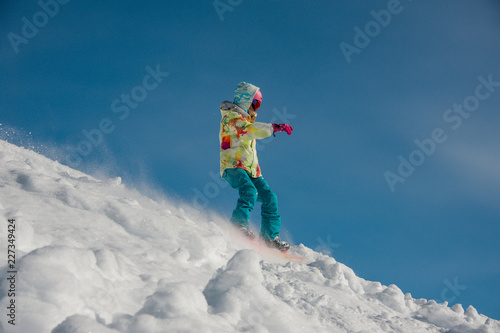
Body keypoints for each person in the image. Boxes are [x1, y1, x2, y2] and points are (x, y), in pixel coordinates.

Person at [219, 82, 293, 251]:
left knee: (269, 198)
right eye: (255, 103)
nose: (256, 108)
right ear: (245, 101)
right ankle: (238, 225)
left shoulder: (245, 120)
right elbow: (247, 130)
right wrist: (272, 127)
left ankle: (269, 237)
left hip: (251, 170)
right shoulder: (231, 118)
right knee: (250, 191)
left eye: (258, 104)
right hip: (233, 166)